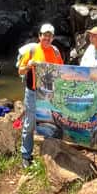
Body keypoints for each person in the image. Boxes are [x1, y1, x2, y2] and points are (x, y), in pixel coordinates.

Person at [17, 23, 63, 168]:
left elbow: (61, 70)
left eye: (50, 35)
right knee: (30, 123)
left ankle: (50, 153)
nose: (47, 38)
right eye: (45, 35)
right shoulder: (31, 50)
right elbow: (20, 71)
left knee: (50, 122)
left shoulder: (55, 52)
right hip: (32, 91)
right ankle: (26, 155)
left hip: (49, 93)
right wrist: (29, 65)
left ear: (53, 37)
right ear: (40, 36)